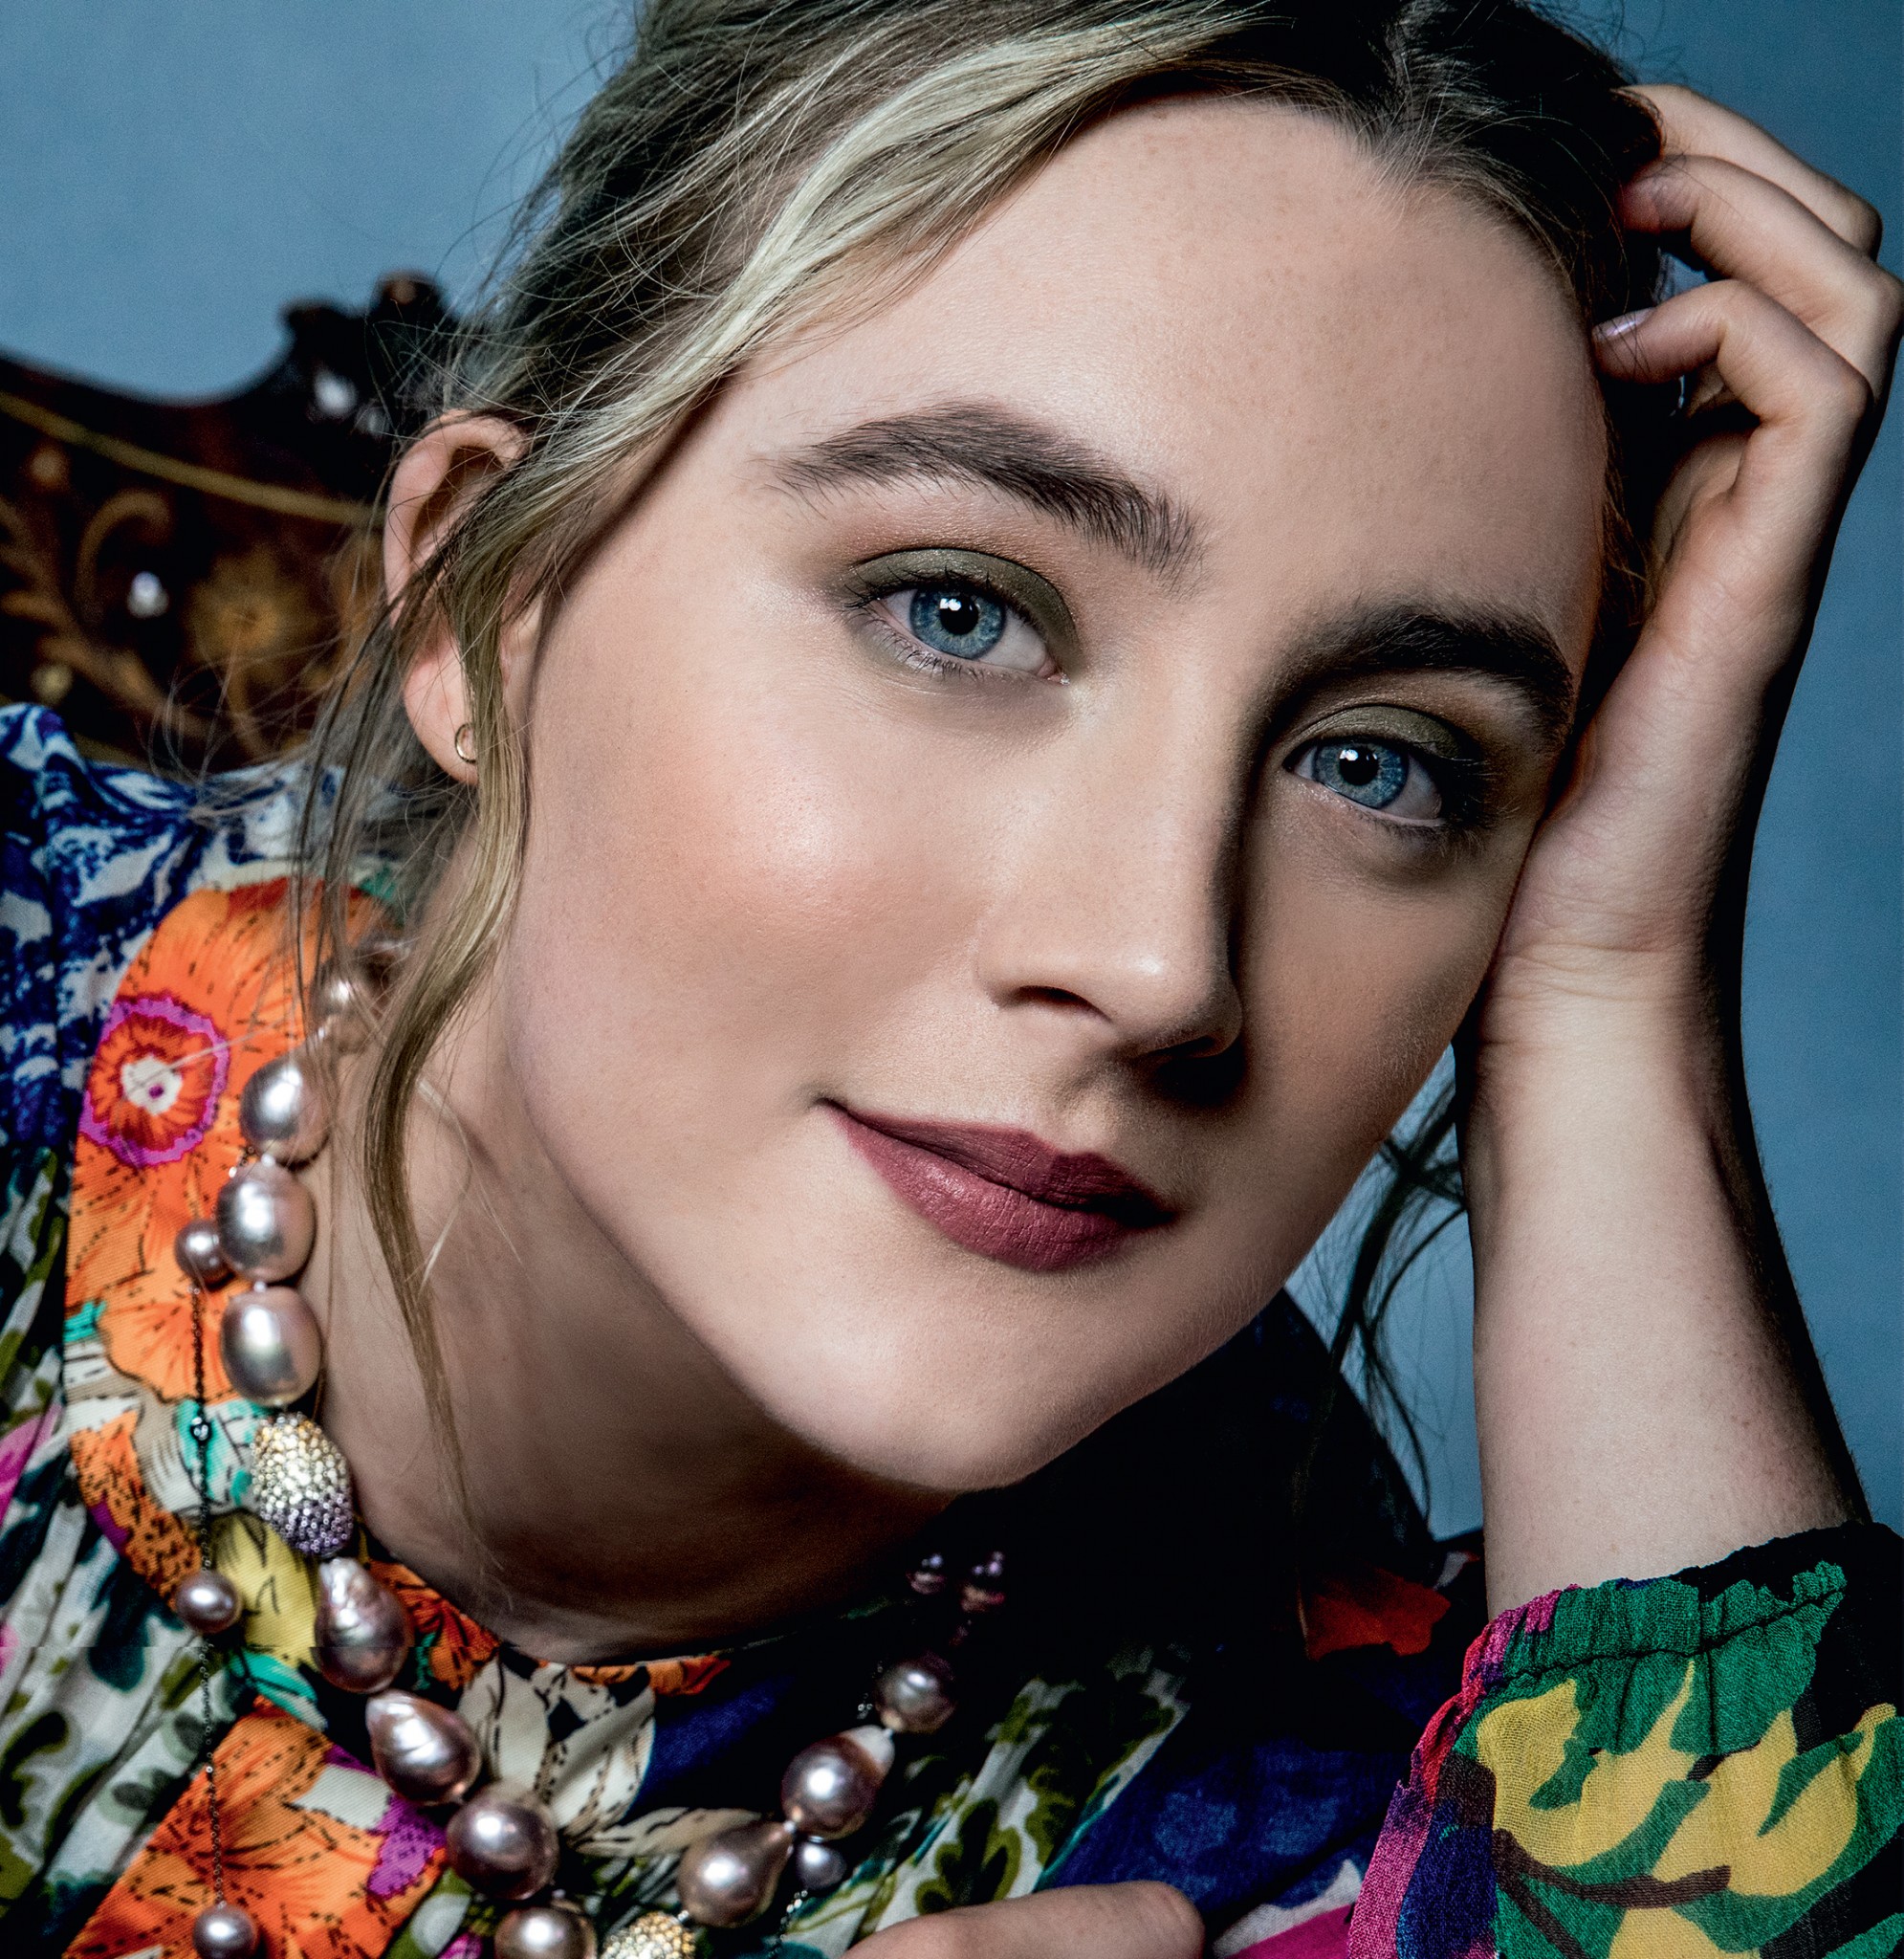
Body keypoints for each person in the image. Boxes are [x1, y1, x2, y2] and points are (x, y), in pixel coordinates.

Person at [1, 3, 1898, 1955]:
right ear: (491, 603)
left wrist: (1612, 995)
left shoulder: (1329, 1794)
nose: (1159, 965)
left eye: (1380, 764)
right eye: (960, 612)